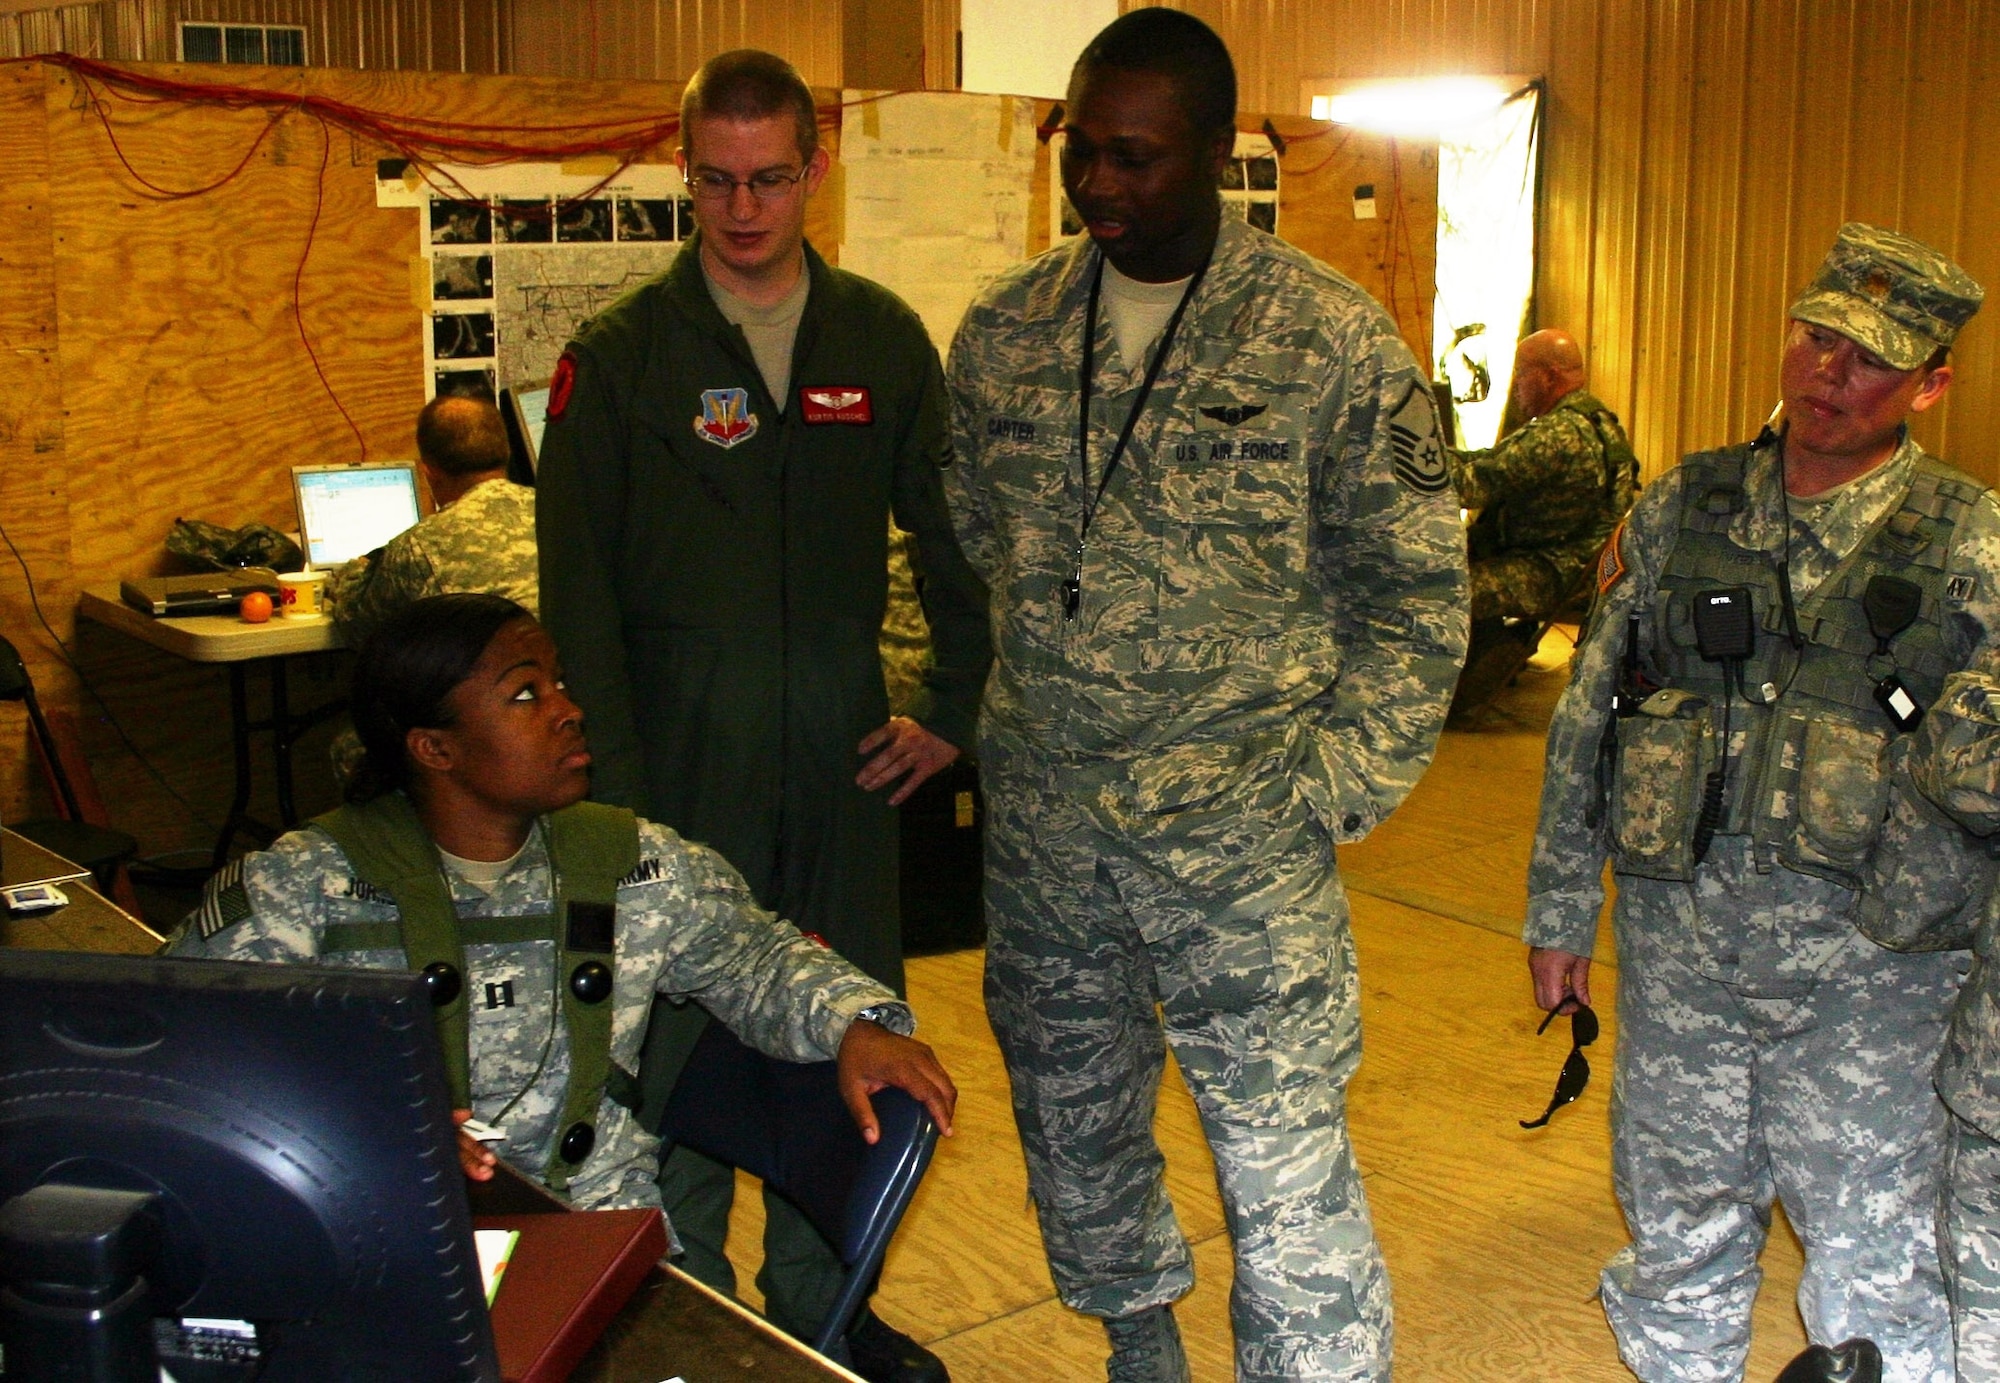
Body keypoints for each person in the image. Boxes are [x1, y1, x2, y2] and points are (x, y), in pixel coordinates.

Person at [944, 11, 1467, 1380]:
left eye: (1136, 158)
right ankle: (1136, 1338)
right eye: (1082, 152)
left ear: (1217, 153)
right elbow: (967, 544)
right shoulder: (1006, 333)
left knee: (1282, 1155)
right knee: (1073, 1115)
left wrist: (1327, 788)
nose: (1101, 186)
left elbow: (1417, 599)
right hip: (1052, 836)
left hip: (1240, 842)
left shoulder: (1328, 340)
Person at [533, 48, 990, 1383]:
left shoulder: (880, 342)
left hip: (846, 776)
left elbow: (959, 549)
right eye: (718, 181)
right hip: (675, 776)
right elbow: (579, 607)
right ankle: (694, 1327)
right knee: (679, 1059)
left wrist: (952, 704)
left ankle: (822, 1321)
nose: (743, 209)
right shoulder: (618, 361)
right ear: (687, 172)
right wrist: (607, 808)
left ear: (817, 167)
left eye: (771, 178)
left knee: (848, 1046)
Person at [1524, 223, 1990, 1383]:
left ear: (1930, 382)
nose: (1828, 371)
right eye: (1815, 336)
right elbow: (1590, 712)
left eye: (1869, 356)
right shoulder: (1683, 507)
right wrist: (1555, 910)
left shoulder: (1973, 544)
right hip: (1681, 957)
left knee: (1875, 1251)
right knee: (1677, 1217)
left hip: (1875, 981)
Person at [165, 594, 957, 1224]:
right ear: (433, 748)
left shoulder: (631, 863)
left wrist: (855, 1020)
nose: (568, 709)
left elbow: (755, 956)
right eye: (524, 694)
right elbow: (196, 1056)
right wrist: (360, 1126)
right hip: (376, 1226)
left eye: (561, 683)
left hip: (593, 1224)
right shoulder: (305, 886)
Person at [1448, 329, 1639, 716]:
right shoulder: (1599, 421)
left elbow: (1473, 486)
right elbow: (1497, 461)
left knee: (1440, 588)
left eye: (1521, 373)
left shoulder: (1558, 433)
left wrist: (1411, 461)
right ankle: (1489, 649)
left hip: (1550, 573)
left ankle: (1461, 676)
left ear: (1548, 377)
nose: (1515, 385)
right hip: (1579, 569)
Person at [326, 393, 537, 648]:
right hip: (566, 682)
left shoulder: (419, 546)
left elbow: (357, 625)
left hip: (481, 684)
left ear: (429, 475)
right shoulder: (558, 514)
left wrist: (356, 570)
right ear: (507, 451)